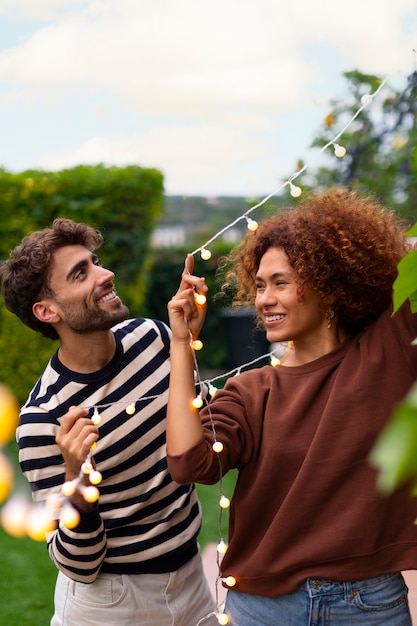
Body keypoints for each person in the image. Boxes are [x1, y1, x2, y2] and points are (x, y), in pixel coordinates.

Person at [166, 187, 417, 626]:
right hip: (263, 608)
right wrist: (182, 343)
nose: (263, 300)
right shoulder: (250, 390)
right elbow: (190, 464)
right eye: (260, 286)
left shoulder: (386, 349)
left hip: (368, 604)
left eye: (281, 283)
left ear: (329, 285)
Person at [0, 218, 217, 626]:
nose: (106, 274)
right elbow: (78, 565)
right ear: (47, 311)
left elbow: (202, 439)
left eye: (95, 262)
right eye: (81, 273)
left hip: (193, 584)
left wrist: (185, 344)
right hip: (112, 604)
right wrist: (75, 478)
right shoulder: (41, 419)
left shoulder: (155, 339)